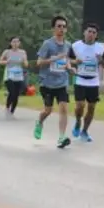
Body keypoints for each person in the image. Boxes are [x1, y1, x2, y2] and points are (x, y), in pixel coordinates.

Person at [34, 15, 72, 149]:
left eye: (64, 26)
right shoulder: (48, 44)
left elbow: (67, 61)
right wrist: (54, 59)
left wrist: (70, 68)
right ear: (53, 29)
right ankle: (40, 121)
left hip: (62, 82)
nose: (61, 29)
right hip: (47, 83)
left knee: (64, 108)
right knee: (48, 110)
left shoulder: (68, 45)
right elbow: (39, 63)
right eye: (59, 26)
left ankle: (62, 137)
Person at [69, 22, 104, 142]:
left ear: (96, 35)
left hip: (93, 81)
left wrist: (101, 61)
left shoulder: (100, 48)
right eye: (89, 31)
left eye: (94, 32)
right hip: (80, 79)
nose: (91, 34)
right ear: (84, 32)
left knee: (91, 108)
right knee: (80, 106)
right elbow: (68, 60)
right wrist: (75, 62)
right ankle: (77, 121)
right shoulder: (76, 46)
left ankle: (85, 131)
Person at [0, 36, 28, 117]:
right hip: (9, 75)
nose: (15, 43)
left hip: (18, 75)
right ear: (10, 43)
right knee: (12, 92)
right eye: (14, 42)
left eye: (17, 42)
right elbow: (0, 61)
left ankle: (12, 112)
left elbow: (26, 63)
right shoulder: (7, 52)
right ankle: (7, 107)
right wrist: (6, 62)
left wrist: (24, 62)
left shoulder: (22, 52)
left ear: (19, 43)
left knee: (16, 95)